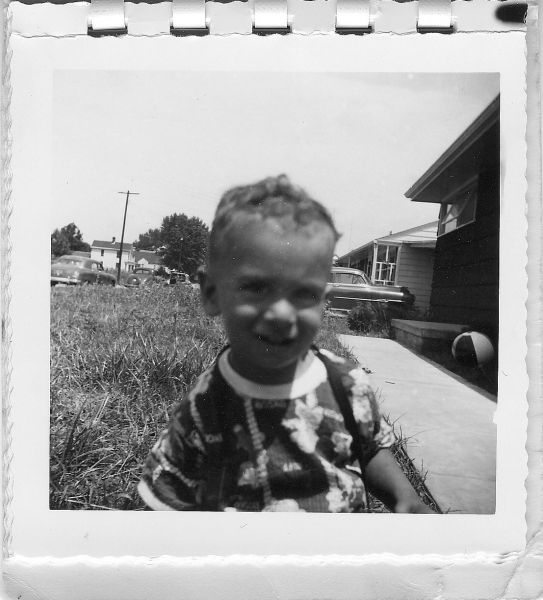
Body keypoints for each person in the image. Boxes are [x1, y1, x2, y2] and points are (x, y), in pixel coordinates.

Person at [137, 175, 432, 513]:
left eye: (303, 293)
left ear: (323, 301)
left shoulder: (346, 385)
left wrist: (405, 498)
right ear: (211, 293)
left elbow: (370, 448)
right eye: (257, 288)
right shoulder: (205, 410)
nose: (281, 314)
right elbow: (166, 509)